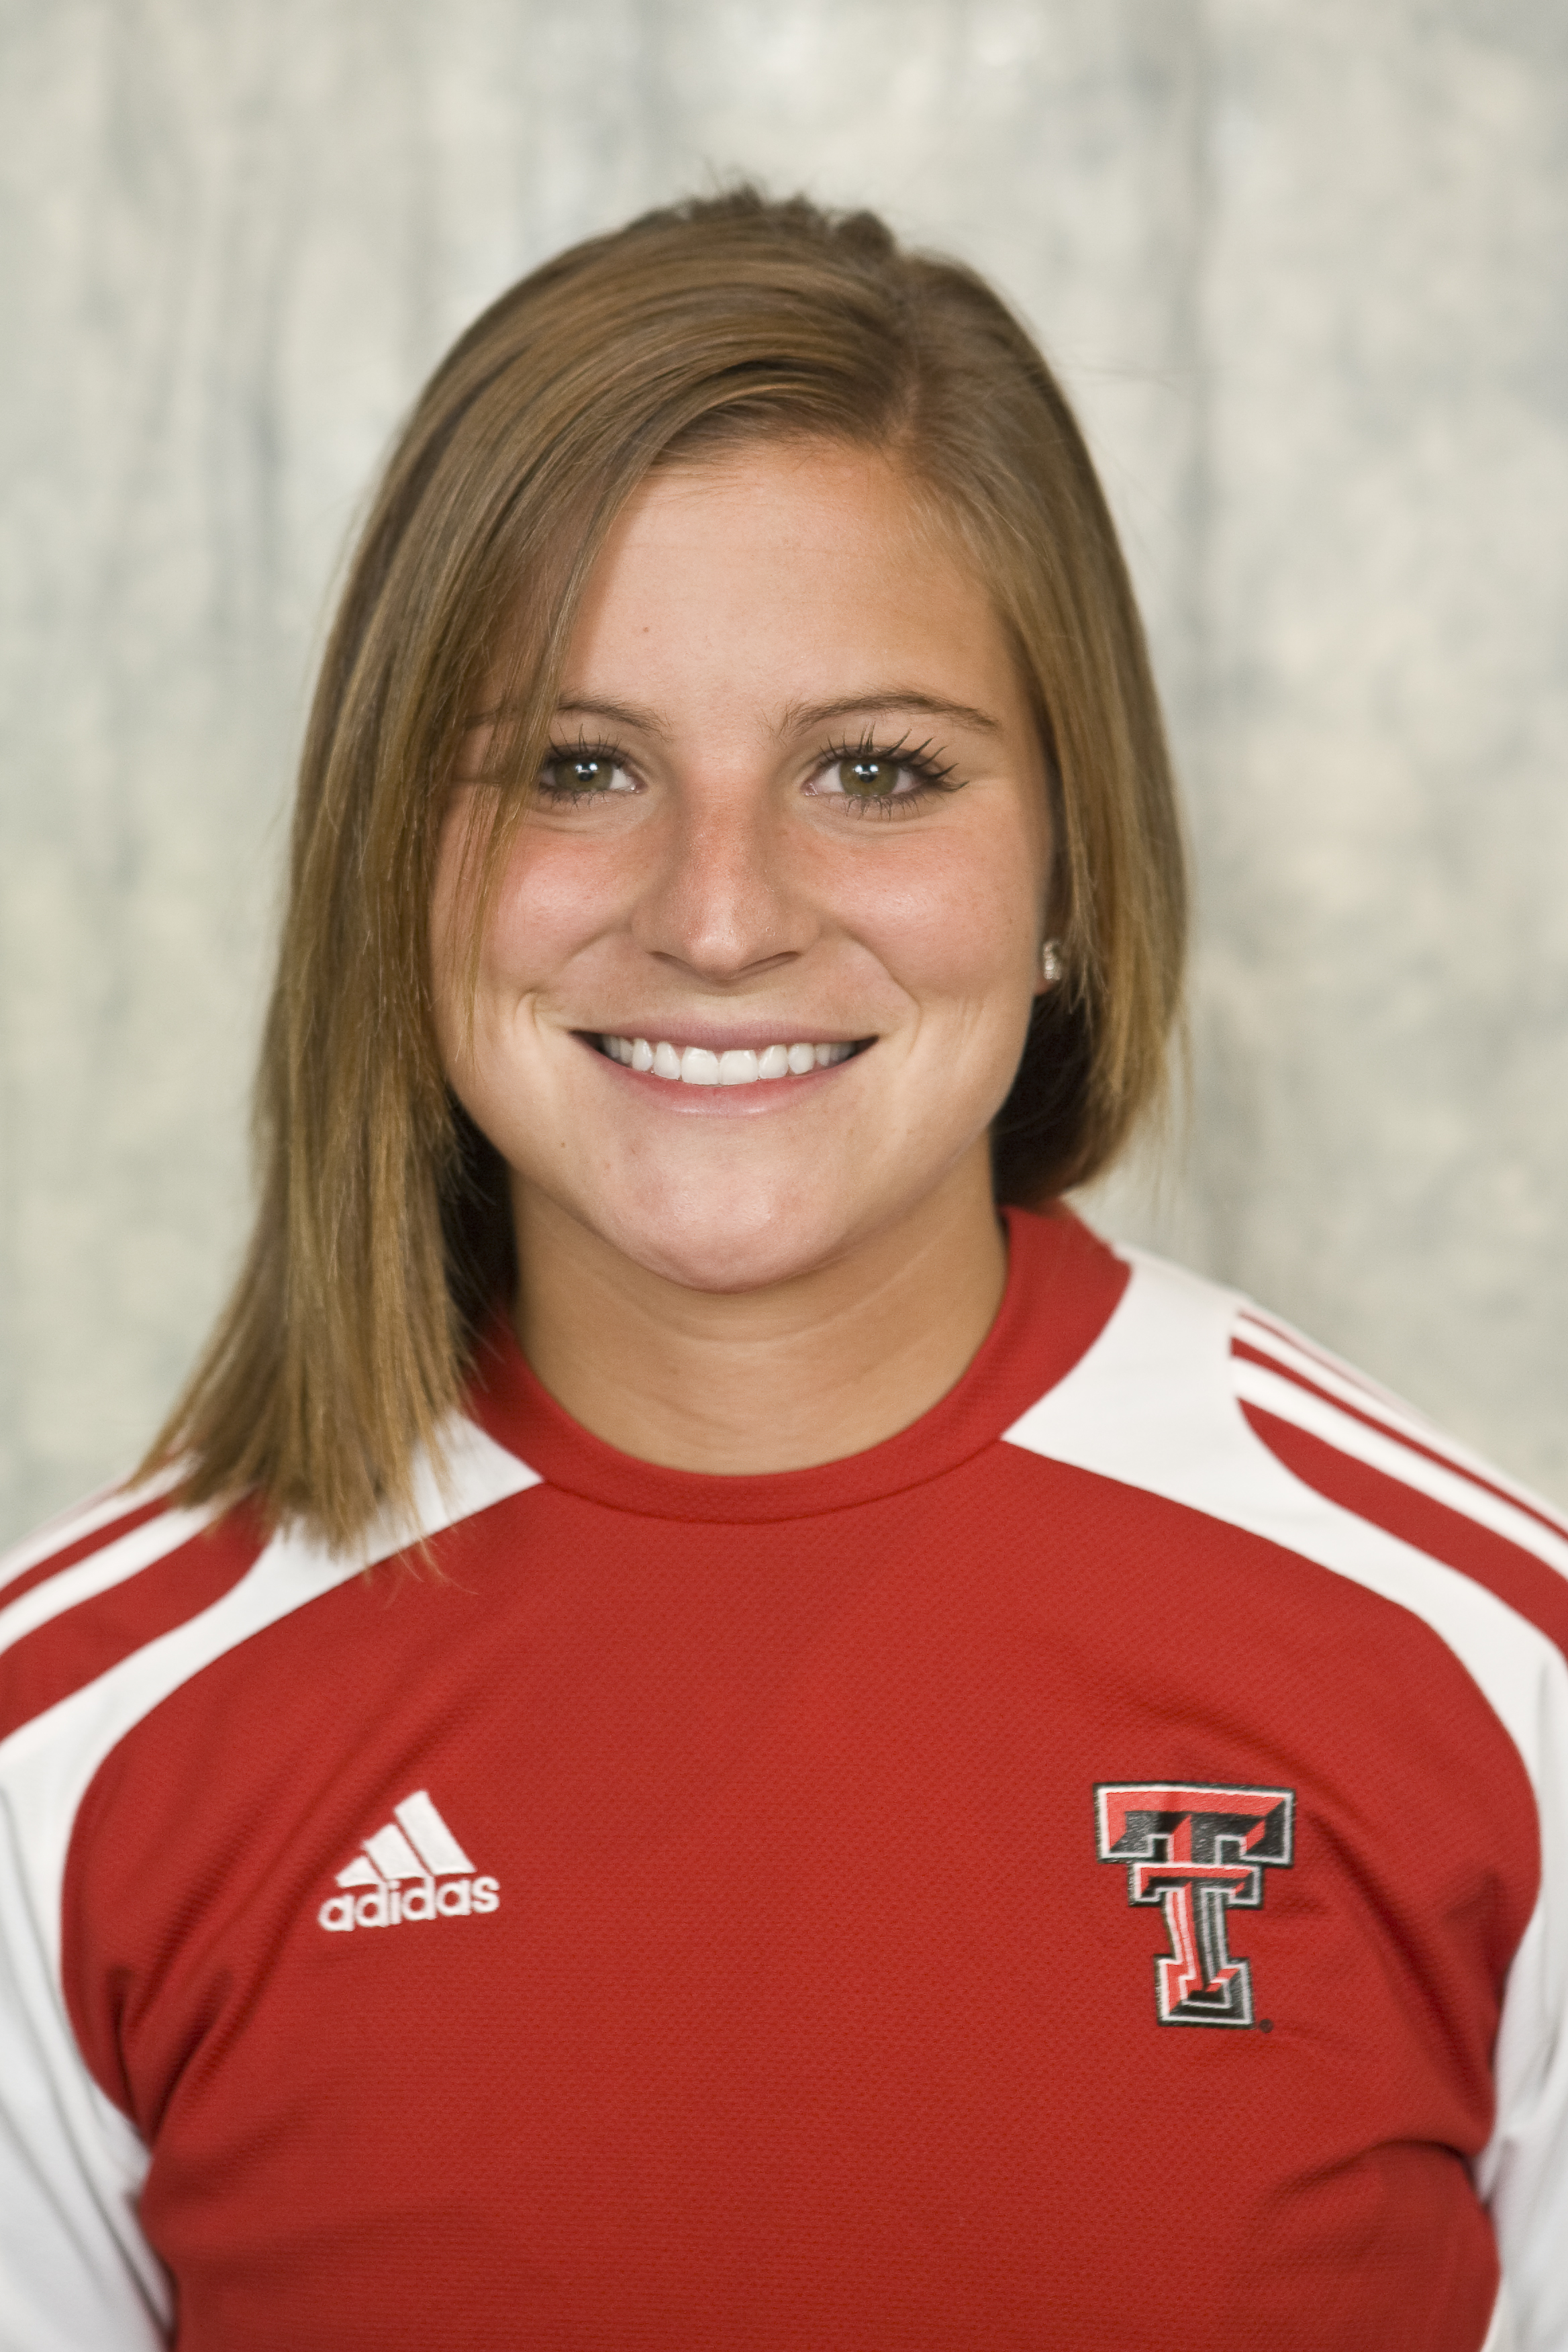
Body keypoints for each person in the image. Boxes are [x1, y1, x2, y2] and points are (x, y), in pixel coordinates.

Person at [1, 189, 1564, 2352]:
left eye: (874, 772)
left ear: (1069, 861)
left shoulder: (1495, 1669)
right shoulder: (67, 1746)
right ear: (393, 859)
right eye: (577, 768)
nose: (719, 915)